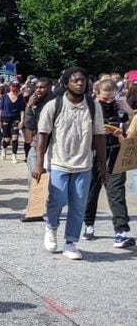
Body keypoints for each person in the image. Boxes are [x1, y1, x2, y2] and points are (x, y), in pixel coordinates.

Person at [33, 66, 108, 260]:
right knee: (57, 199)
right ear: (66, 83)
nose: (79, 83)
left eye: (82, 80)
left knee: (78, 204)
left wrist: (104, 166)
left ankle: (71, 242)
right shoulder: (54, 105)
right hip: (59, 161)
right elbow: (43, 135)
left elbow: (99, 136)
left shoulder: (93, 106)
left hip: (84, 163)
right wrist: (39, 164)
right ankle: (51, 227)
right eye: (75, 80)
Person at [81, 78, 134, 248]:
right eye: (105, 99)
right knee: (92, 191)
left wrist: (128, 114)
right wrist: (97, 131)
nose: (109, 102)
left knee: (116, 192)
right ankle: (88, 224)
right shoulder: (89, 108)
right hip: (95, 154)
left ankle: (121, 231)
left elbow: (132, 128)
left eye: (112, 98)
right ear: (96, 94)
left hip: (116, 152)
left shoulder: (120, 107)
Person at [0, 80, 25, 163]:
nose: (14, 88)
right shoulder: (4, 97)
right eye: (13, 86)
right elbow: (0, 109)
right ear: (10, 87)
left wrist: (22, 121)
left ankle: (14, 156)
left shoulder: (20, 97)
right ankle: (4, 149)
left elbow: (22, 110)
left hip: (16, 118)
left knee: (15, 137)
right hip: (6, 118)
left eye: (16, 86)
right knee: (7, 139)